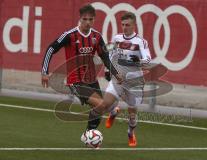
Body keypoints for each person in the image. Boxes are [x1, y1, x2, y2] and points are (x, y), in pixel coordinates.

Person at [41, 4, 121, 132]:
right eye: (85, 19)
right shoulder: (70, 35)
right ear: (80, 19)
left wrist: (116, 74)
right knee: (101, 104)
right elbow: (51, 49)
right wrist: (44, 72)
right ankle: (95, 128)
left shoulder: (97, 36)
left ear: (94, 20)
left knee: (100, 108)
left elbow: (105, 57)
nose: (88, 22)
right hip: (75, 80)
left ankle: (88, 134)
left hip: (91, 80)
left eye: (91, 19)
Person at [103, 12, 151, 147]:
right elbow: (109, 53)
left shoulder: (141, 41)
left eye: (127, 25)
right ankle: (113, 111)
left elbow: (148, 58)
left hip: (135, 81)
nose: (125, 27)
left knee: (132, 114)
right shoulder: (116, 38)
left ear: (134, 25)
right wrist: (108, 69)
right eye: (123, 25)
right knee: (105, 103)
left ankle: (130, 133)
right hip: (118, 77)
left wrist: (139, 60)